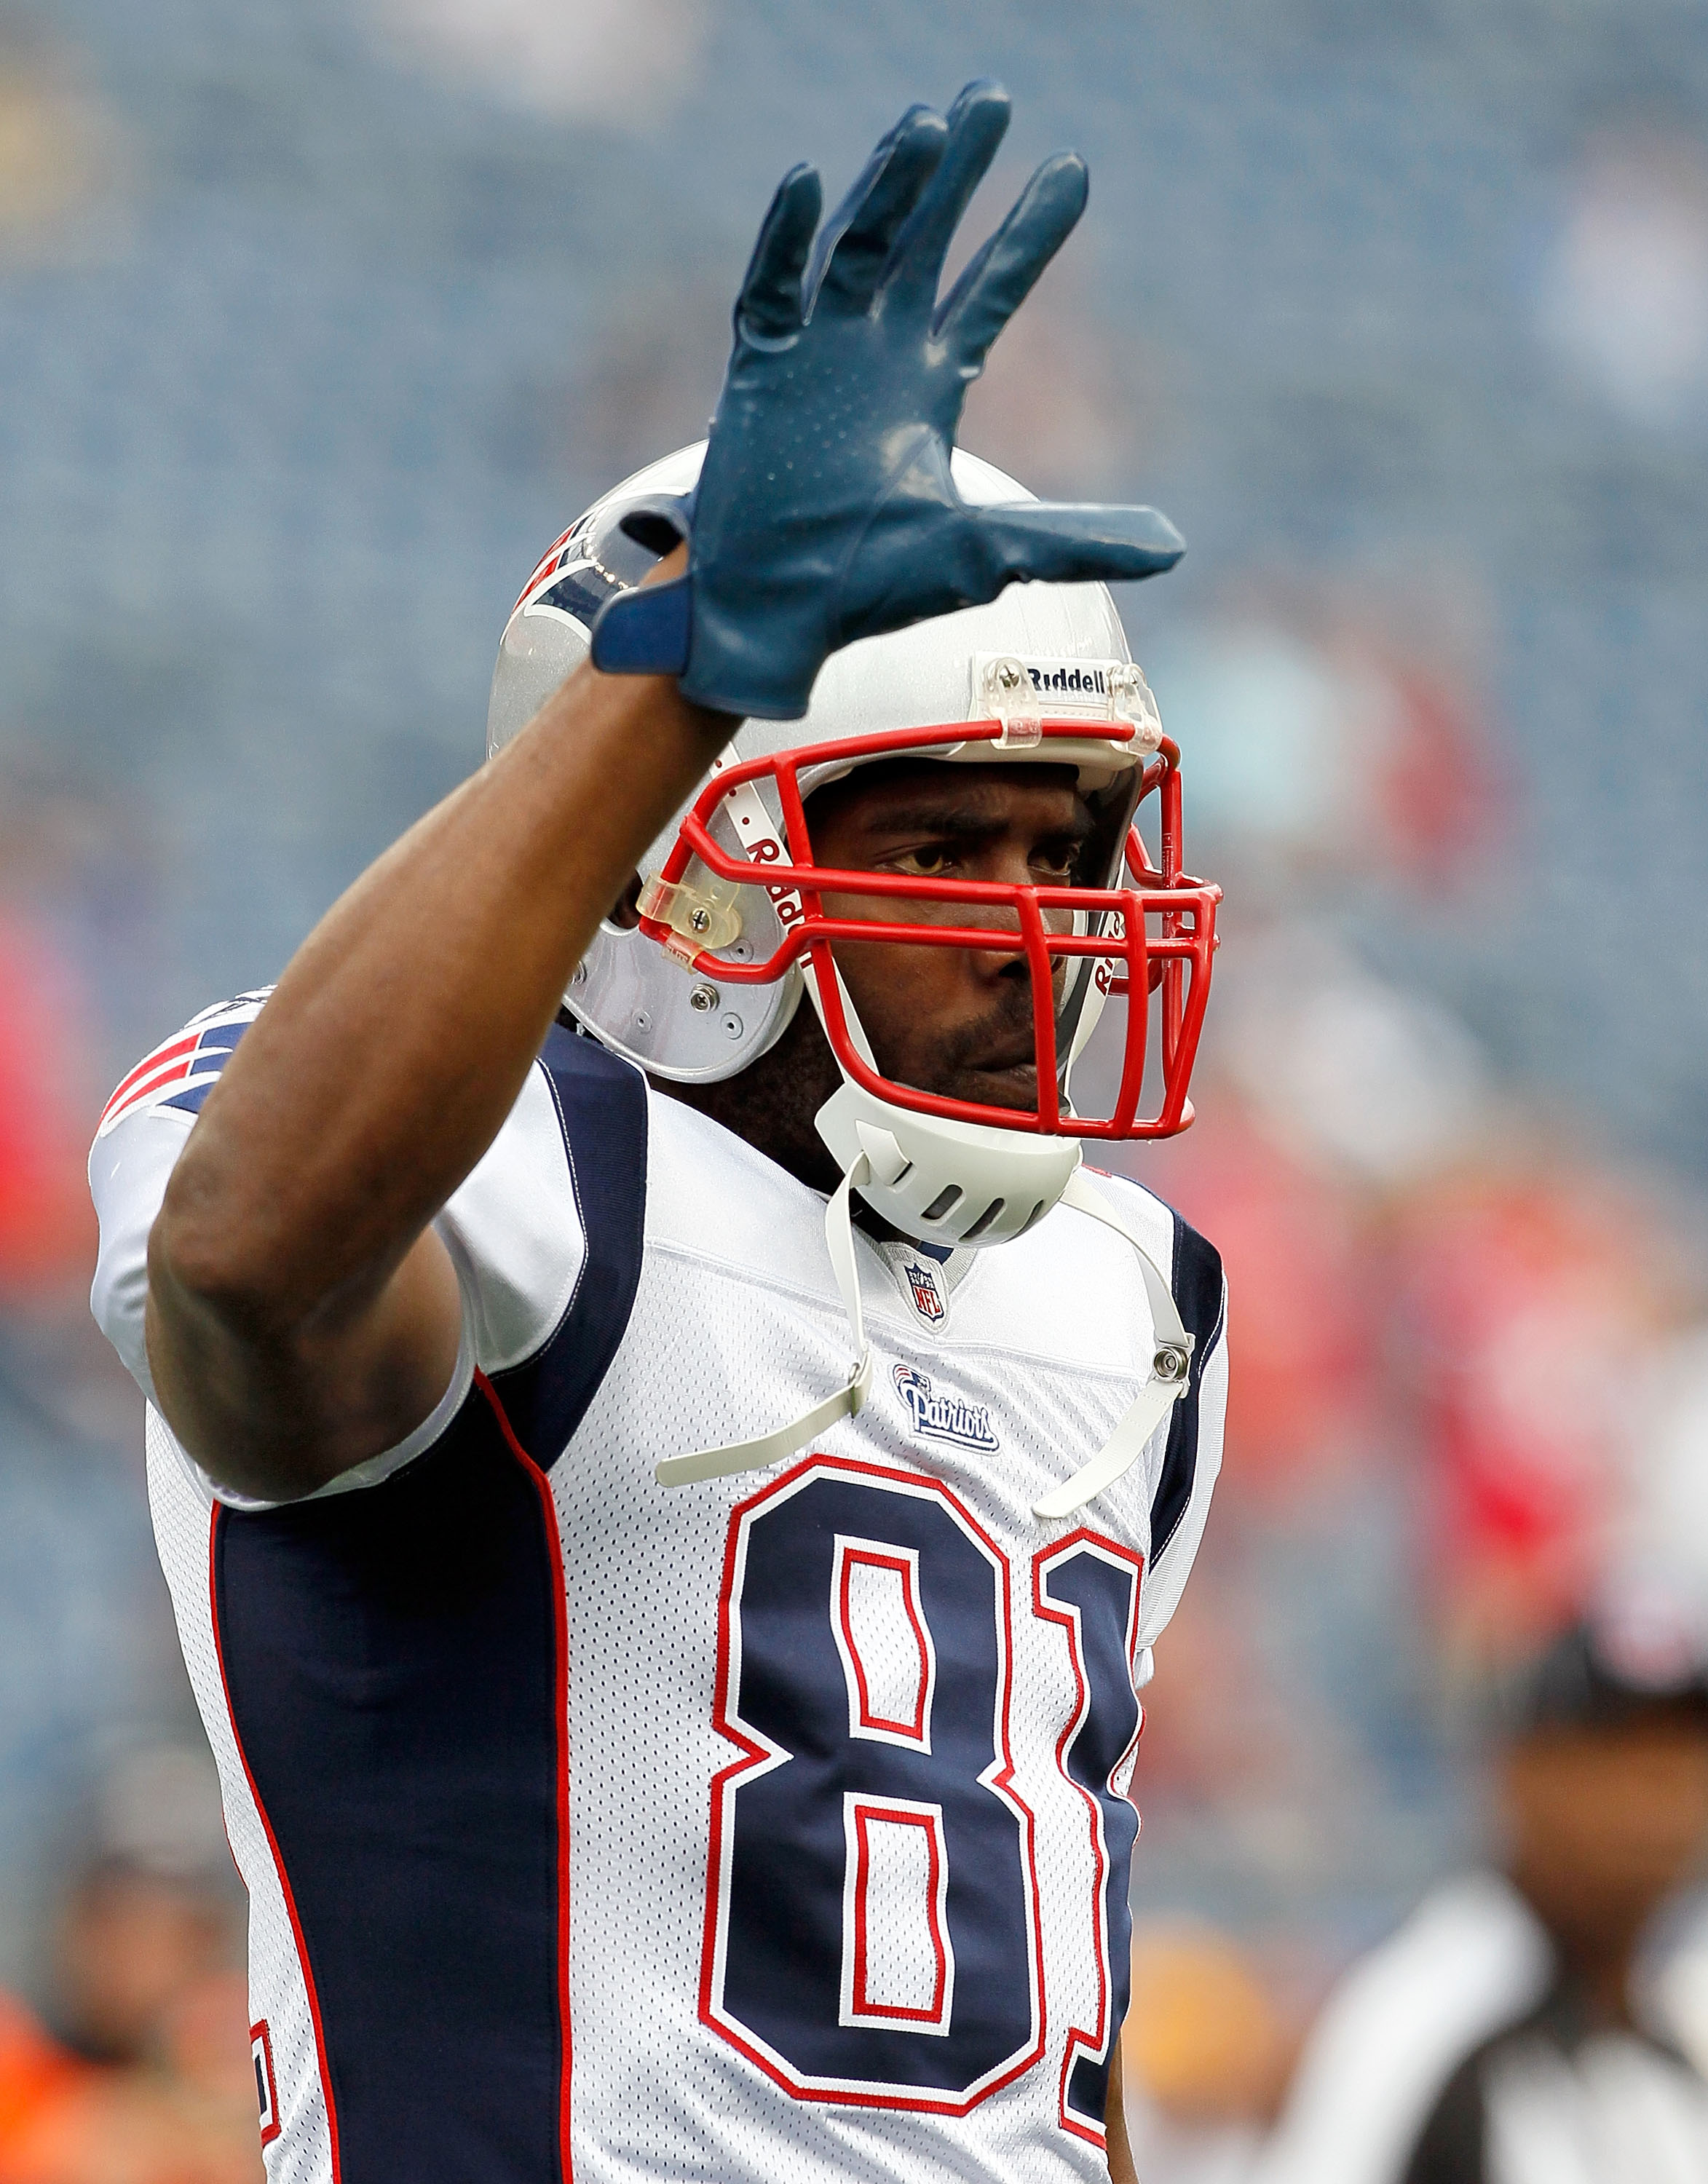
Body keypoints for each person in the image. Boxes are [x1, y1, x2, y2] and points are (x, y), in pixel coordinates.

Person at [87, 81, 1228, 2184]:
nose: (1033, 935)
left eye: (1063, 854)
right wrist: (688, 669)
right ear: (680, 876)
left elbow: (1051, 1991)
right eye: (942, 849)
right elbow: (251, 1256)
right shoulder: (492, 1166)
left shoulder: (1127, 1299)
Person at [1255, 1614, 1708, 2184]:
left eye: (1680, 1757)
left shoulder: (1674, 2019)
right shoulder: (1429, 2016)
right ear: (1520, 1773)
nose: (1655, 1796)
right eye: (1614, 1755)